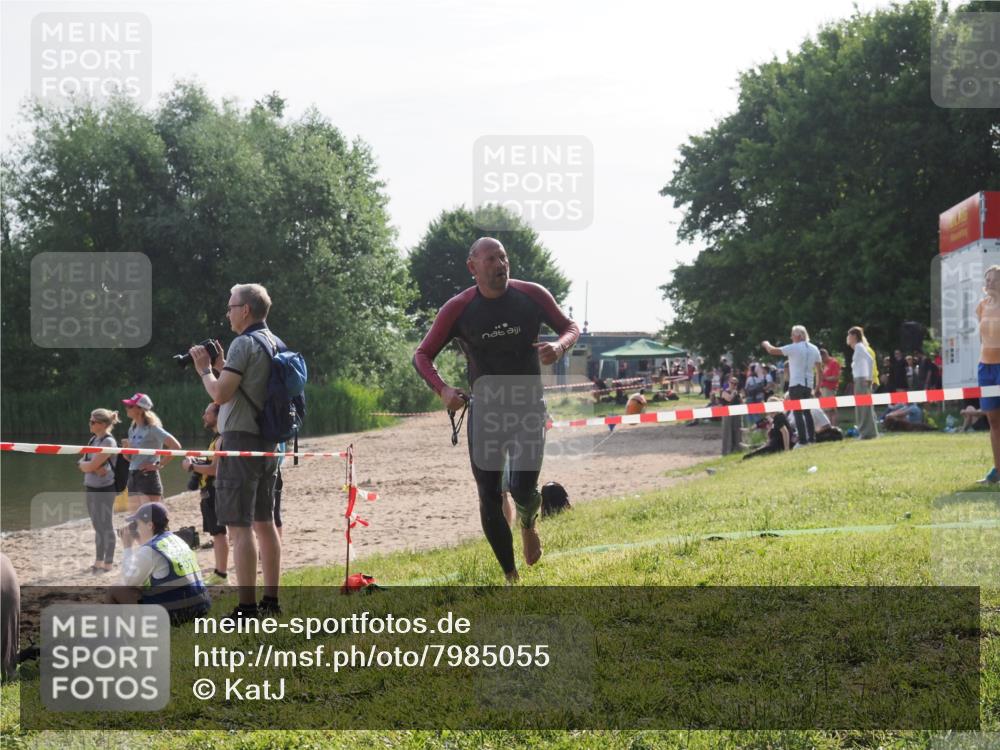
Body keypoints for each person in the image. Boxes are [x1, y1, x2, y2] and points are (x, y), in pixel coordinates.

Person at [413, 237, 580, 583]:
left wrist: (560, 347)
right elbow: (422, 355)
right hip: (485, 412)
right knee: (489, 495)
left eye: (502, 257)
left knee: (520, 486)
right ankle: (511, 577)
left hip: (528, 408)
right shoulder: (458, 308)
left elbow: (570, 326)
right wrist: (443, 389)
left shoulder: (531, 295)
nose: (500, 264)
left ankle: (529, 523)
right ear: (472, 267)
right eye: (490, 259)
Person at [188, 282, 283, 619]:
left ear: (245, 310)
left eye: (230, 306)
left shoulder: (244, 342)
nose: (227, 312)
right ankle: (271, 602)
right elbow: (249, 384)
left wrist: (204, 369)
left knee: (240, 527)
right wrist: (222, 363)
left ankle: (247, 607)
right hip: (268, 442)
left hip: (241, 441)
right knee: (265, 521)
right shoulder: (273, 342)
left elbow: (221, 394)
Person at [108, 502, 211, 625]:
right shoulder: (177, 540)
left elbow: (128, 580)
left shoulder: (150, 550)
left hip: (178, 613)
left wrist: (127, 547)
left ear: (150, 525)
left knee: (115, 590)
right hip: (201, 607)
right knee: (143, 584)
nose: (136, 528)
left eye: (138, 524)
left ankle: (119, 632)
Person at [181, 403, 229, 586]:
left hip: (215, 491)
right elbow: (211, 461)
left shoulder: (221, 439)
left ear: (217, 416)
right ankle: (220, 572)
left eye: (206, 413)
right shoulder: (216, 439)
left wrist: (192, 466)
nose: (203, 416)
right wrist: (196, 460)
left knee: (219, 533)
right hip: (209, 492)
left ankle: (222, 574)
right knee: (217, 534)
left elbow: (215, 469)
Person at [762, 325, 822, 445]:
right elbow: (819, 370)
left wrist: (766, 343)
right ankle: (812, 439)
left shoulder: (794, 348)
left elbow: (772, 350)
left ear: (798, 336)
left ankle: (803, 441)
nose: (791, 337)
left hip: (796, 384)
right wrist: (817, 387)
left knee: (797, 413)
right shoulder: (814, 348)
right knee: (807, 412)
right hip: (808, 385)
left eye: (792, 335)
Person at [121, 393, 181, 512]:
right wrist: (125, 449)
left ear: (140, 409)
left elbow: (176, 446)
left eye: (130, 406)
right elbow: (130, 458)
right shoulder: (132, 429)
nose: (126, 408)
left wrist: (158, 465)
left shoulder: (153, 428)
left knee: (151, 518)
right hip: (133, 475)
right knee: (136, 519)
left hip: (147, 477)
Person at [78, 408, 121, 573]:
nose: (90, 423)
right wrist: (89, 466)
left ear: (102, 424)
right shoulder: (93, 440)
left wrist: (89, 466)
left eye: (93, 421)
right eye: (90, 420)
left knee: (106, 525)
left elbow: (90, 464)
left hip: (104, 489)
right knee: (97, 526)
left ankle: (108, 563)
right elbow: (82, 462)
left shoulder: (108, 442)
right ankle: (98, 561)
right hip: (90, 487)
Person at [976, 265, 1000, 483]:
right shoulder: (982, 306)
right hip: (985, 367)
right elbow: (982, 338)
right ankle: (997, 470)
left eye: (993, 279)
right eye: (987, 279)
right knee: (993, 419)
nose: (989, 282)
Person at [847, 326, 878, 440]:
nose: (848, 338)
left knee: (863, 408)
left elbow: (870, 360)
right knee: (864, 407)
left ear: (854, 336)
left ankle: (865, 433)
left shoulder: (859, 347)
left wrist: (869, 378)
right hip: (859, 380)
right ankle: (869, 432)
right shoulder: (858, 347)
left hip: (861, 380)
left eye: (849, 335)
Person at [720, 376, 745, 455]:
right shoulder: (724, 392)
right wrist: (733, 393)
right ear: (728, 383)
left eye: (735, 384)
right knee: (727, 432)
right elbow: (729, 399)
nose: (733, 385)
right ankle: (727, 451)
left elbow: (742, 402)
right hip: (727, 415)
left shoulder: (737, 393)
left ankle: (737, 449)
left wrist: (741, 396)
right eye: (732, 383)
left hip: (737, 414)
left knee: (737, 431)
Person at [818, 349, 841, 426]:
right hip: (823, 389)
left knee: (831, 410)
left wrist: (825, 378)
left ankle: (833, 427)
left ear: (825, 355)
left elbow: (836, 377)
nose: (821, 361)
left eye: (821, 358)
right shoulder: (825, 364)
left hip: (829, 389)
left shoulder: (833, 363)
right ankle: (829, 426)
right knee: (826, 410)